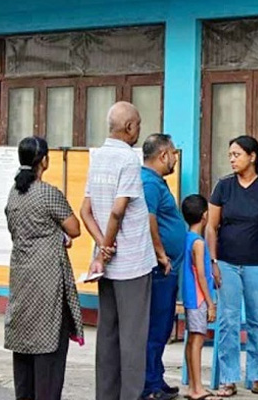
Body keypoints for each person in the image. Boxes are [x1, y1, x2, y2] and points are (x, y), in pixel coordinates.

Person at [80, 101, 157, 399]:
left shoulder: (98, 157)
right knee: (133, 342)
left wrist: (101, 248)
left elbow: (86, 210)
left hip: (106, 267)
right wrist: (107, 246)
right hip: (132, 264)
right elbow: (117, 211)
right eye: (137, 124)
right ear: (129, 128)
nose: (139, 130)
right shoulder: (128, 159)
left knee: (108, 337)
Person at [4, 136, 85, 400]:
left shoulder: (14, 193)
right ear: (45, 161)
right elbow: (74, 228)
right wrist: (59, 236)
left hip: (21, 276)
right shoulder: (47, 192)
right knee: (49, 345)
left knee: (24, 344)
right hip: (48, 277)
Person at [206, 135, 258, 398]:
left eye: (237, 154)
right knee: (228, 321)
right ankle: (229, 379)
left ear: (252, 156)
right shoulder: (223, 186)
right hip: (227, 264)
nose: (232, 159)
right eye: (230, 155)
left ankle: (257, 378)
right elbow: (211, 226)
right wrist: (213, 260)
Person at [141, 134, 187, 400]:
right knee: (156, 327)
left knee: (162, 325)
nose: (175, 159)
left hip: (167, 268)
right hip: (161, 269)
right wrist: (161, 254)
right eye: (173, 154)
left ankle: (156, 377)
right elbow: (149, 219)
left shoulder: (157, 182)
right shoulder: (149, 183)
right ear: (162, 155)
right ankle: (150, 385)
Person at [181, 194, 220, 400]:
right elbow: (202, 276)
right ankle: (197, 388)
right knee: (197, 341)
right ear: (205, 215)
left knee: (191, 341)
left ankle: (193, 386)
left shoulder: (187, 237)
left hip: (190, 296)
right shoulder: (199, 243)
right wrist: (211, 303)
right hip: (198, 298)